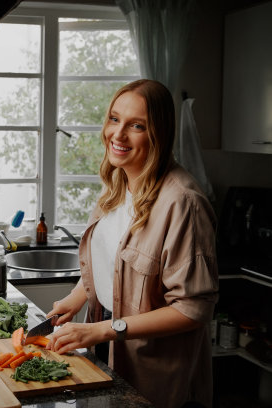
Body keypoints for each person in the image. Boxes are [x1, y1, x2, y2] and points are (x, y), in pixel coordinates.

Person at [46, 79, 218, 408]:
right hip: (108, 347)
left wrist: (105, 329)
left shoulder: (183, 203)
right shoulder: (116, 185)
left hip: (158, 373)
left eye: (136, 125)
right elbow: (110, 263)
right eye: (114, 119)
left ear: (159, 134)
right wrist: (75, 296)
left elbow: (193, 310)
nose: (118, 135)